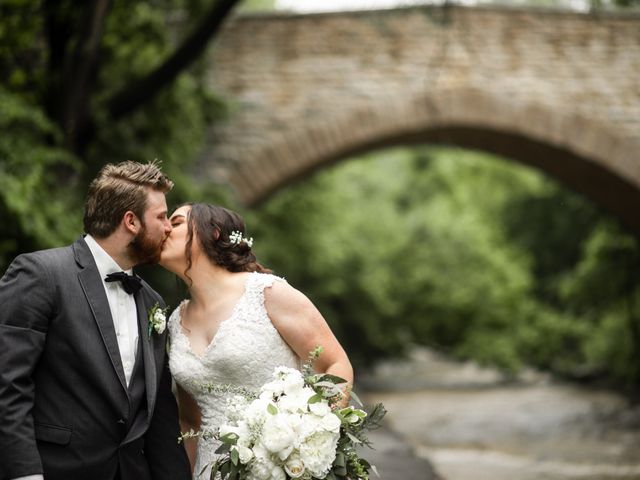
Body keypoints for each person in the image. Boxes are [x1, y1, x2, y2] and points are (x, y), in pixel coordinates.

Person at [0, 161, 191, 480]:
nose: (168, 228)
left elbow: (159, 418)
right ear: (131, 221)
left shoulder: (152, 302)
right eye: (160, 217)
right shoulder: (41, 274)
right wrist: (25, 474)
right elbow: (8, 383)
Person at [159, 203, 354, 479]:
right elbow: (191, 422)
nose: (165, 228)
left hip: (280, 467)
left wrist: (310, 442)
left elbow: (335, 364)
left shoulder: (267, 293)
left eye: (176, 222)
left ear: (212, 233)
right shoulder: (175, 322)